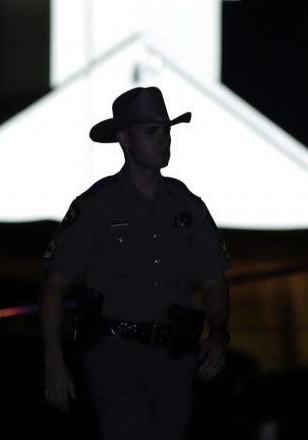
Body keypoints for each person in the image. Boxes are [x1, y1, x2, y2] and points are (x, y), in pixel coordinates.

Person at [40, 86, 232, 440]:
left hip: (175, 359)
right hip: (114, 356)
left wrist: (218, 335)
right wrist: (55, 364)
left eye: (168, 131)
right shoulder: (96, 206)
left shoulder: (188, 205)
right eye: (152, 132)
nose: (164, 141)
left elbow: (214, 281)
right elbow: (56, 284)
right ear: (124, 140)